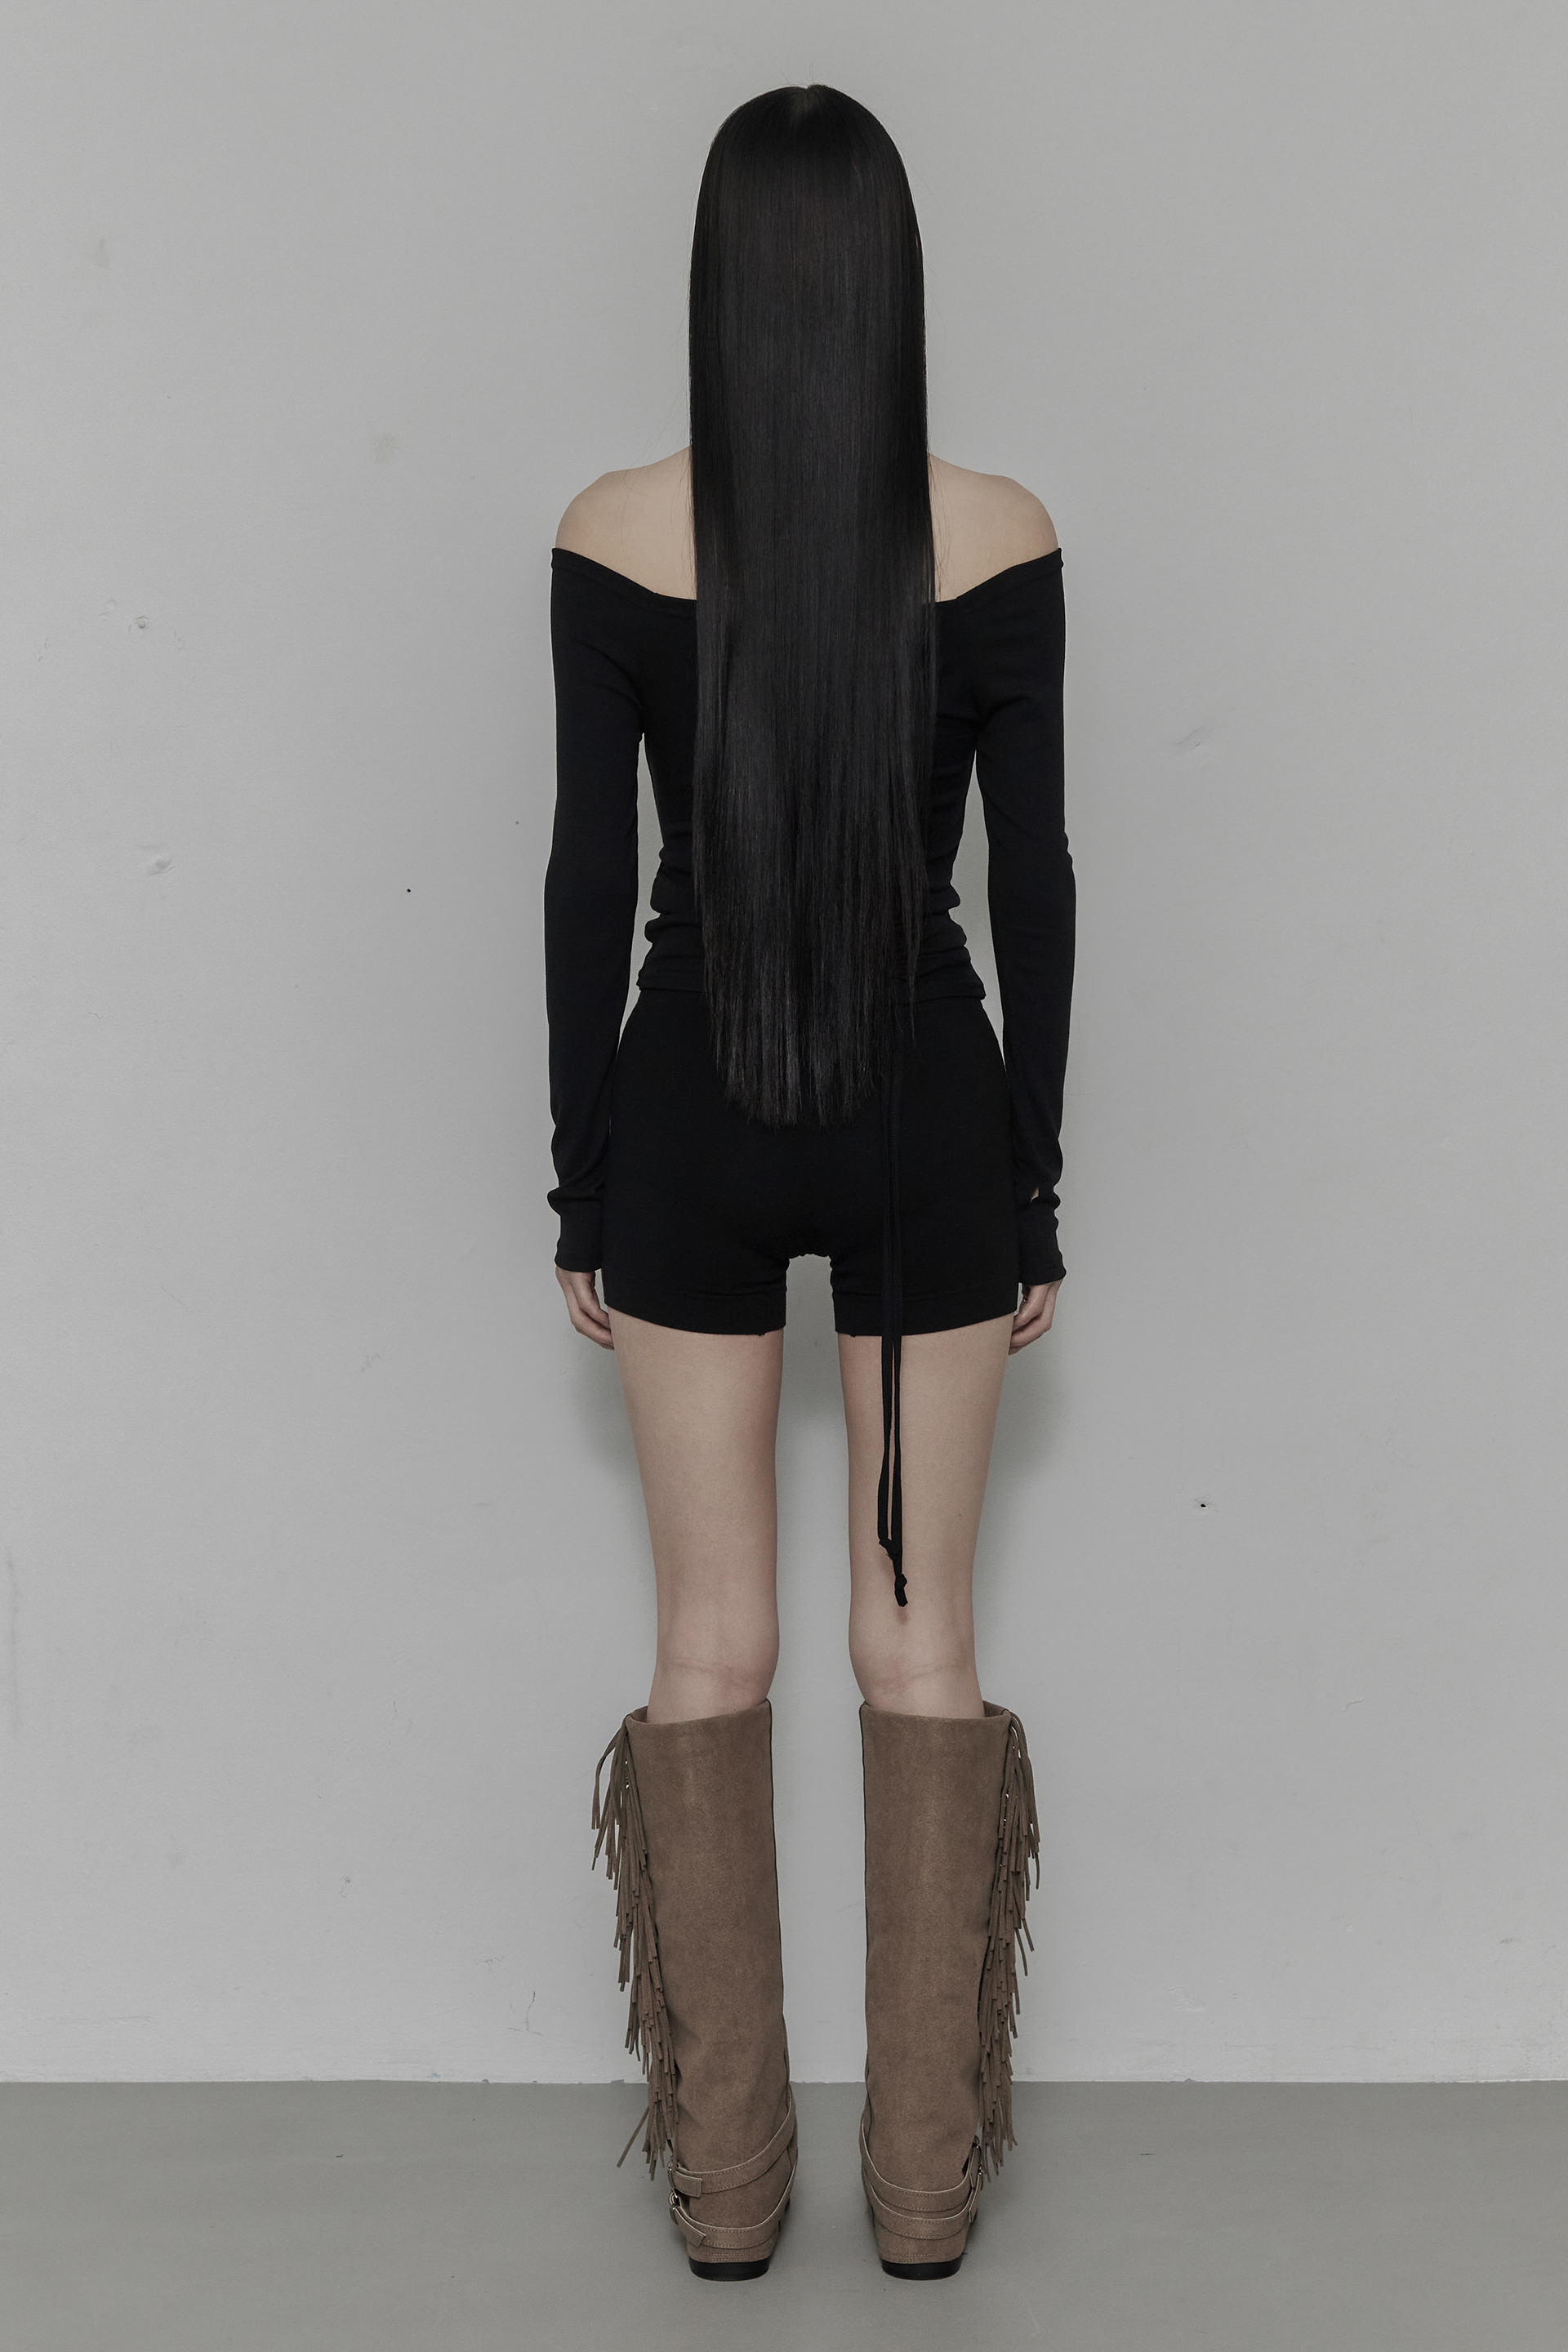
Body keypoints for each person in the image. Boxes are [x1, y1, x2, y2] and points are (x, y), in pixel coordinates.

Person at [545, 85, 1073, 2283]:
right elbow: (1032, 883)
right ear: (890, 286)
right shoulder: (1000, 529)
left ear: (717, 287)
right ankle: (925, 2202)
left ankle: (732, 2194)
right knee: (917, 1649)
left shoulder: (615, 528)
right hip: (926, 1115)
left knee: (714, 1645)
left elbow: (590, 878)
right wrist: (1030, 1183)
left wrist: (584, 1183)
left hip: (691, 1106)